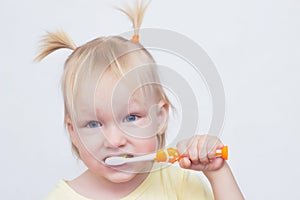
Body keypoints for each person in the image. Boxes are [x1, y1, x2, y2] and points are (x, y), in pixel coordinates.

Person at [36, 0, 244, 199]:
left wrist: (218, 173)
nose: (114, 141)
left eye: (131, 117)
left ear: (160, 118)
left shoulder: (179, 185)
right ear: (73, 133)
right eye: (93, 123)